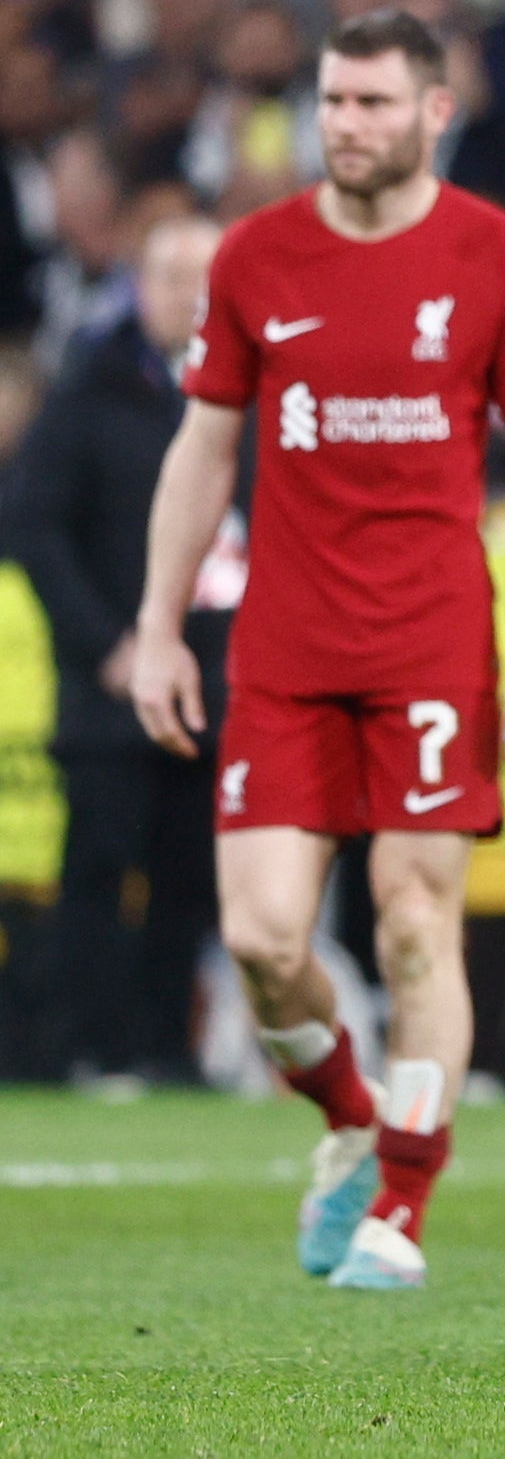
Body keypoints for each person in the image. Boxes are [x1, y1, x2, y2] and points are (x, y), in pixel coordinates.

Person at [130, 9, 505, 1291]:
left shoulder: (497, 252)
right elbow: (204, 448)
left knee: (409, 911)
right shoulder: (257, 255)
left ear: (435, 112)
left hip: (433, 642)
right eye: (335, 101)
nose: (347, 125)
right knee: (268, 938)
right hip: (283, 644)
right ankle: (349, 1113)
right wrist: (160, 625)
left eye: (376, 104)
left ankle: (404, 1197)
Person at [17, 218, 229, 1089]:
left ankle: (164, 1048)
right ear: (139, 288)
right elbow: (33, 525)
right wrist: (105, 642)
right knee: (100, 870)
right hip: (110, 689)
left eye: (208, 279)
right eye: (174, 276)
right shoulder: (88, 393)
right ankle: (84, 1046)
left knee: (190, 873)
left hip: (214, 682)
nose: (191, 296)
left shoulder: (249, 397)